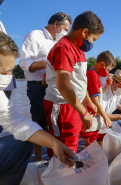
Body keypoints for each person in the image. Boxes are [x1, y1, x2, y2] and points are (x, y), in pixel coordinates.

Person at [0, 32, 75, 185]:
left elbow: (17, 123)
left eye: (11, 70)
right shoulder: (35, 36)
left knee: (22, 142)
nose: (10, 76)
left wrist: (55, 144)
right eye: (6, 71)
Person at [43, 11, 104, 157]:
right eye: (93, 38)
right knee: (64, 146)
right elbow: (63, 85)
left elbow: (80, 81)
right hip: (62, 105)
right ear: (84, 32)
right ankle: (61, 176)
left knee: (72, 142)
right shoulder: (64, 48)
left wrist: (87, 102)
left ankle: (68, 174)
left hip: (74, 103)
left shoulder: (79, 50)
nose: (92, 43)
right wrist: (83, 112)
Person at [19, 12, 72, 161]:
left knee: (57, 122)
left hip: (55, 86)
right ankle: (39, 160)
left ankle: (56, 157)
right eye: (65, 29)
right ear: (56, 25)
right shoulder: (35, 36)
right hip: (37, 87)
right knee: (39, 123)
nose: (66, 33)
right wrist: (46, 63)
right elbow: (24, 63)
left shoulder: (60, 41)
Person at [80, 51, 116, 146]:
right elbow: (95, 100)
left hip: (94, 117)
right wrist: (105, 117)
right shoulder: (92, 75)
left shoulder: (94, 75)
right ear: (102, 65)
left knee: (94, 144)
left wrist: (107, 86)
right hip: (91, 117)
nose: (108, 73)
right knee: (90, 146)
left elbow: (97, 95)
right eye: (108, 70)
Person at [0, 0, 17, 99]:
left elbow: (8, 51)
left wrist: (9, 78)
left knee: (6, 103)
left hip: (4, 74)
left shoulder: (1, 24)